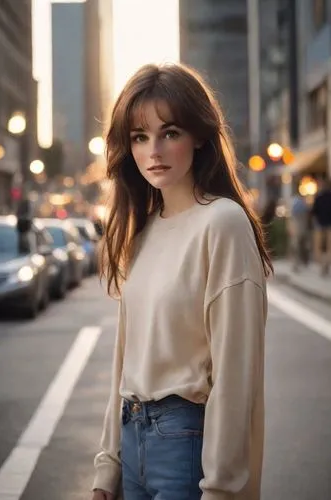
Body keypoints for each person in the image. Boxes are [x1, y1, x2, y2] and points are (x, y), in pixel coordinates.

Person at [91, 63, 273, 500]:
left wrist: (222, 490)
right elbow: (125, 360)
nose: (153, 150)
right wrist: (107, 467)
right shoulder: (143, 229)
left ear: (200, 136)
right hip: (131, 440)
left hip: (186, 442)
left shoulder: (222, 223)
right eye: (139, 136)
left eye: (169, 132)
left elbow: (236, 374)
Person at [311, 177, 331, 276]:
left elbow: (313, 212)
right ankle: (325, 265)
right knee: (328, 247)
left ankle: (323, 266)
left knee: (320, 247)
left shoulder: (318, 197)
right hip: (328, 225)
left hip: (320, 225)